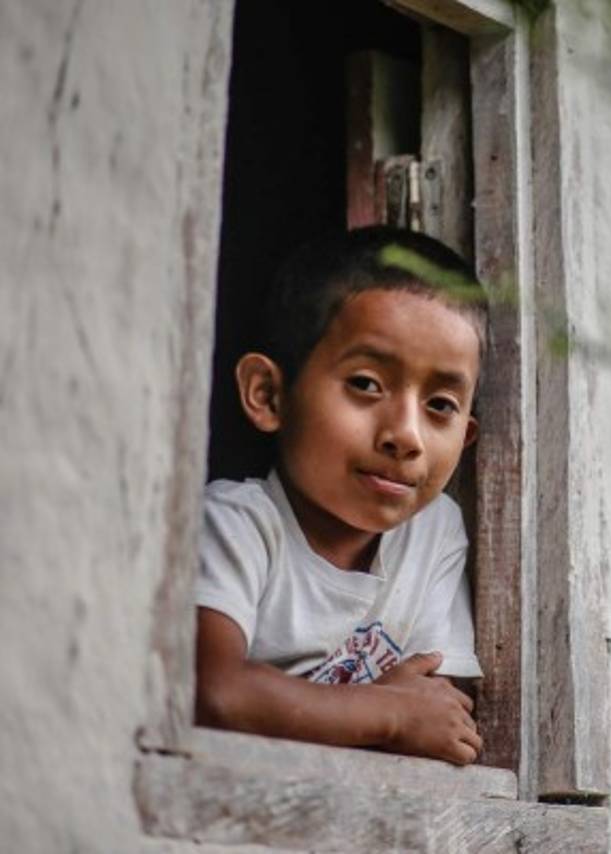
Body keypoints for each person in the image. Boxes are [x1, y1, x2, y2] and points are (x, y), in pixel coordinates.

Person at [195, 226, 486, 766]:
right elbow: (214, 692)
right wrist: (388, 714)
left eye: (440, 405)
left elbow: (445, 711)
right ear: (269, 395)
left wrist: (389, 712)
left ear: (465, 438)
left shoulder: (435, 531)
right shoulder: (233, 525)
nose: (406, 435)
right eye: (367, 384)